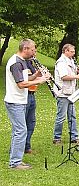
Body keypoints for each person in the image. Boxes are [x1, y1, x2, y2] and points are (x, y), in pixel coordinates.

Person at [4, 39, 49, 169]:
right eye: (32, 49)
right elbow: (21, 84)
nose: (34, 52)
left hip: (21, 101)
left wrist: (37, 76)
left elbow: (25, 79)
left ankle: (15, 159)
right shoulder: (16, 63)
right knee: (21, 131)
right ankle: (15, 163)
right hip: (15, 102)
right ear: (25, 49)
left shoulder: (22, 61)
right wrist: (39, 82)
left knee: (18, 131)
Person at [52, 44, 79, 145]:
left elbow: (72, 72)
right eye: (71, 51)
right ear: (65, 51)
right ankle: (56, 138)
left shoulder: (70, 60)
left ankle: (74, 137)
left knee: (72, 116)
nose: (73, 53)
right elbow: (64, 76)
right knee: (61, 116)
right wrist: (78, 76)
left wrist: (77, 70)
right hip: (63, 92)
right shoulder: (61, 62)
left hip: (71, 92)